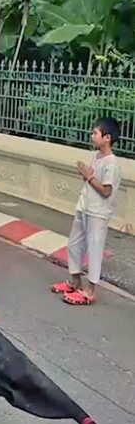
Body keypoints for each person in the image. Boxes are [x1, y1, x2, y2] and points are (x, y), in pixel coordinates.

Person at [53, 117, 123, 305]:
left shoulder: (112, 164)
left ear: (107, 137)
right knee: (73, 244)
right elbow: (90, 179)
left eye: (95, 133)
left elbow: (106, 191)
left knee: (94, 249)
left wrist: (89, 177)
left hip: (98, 213)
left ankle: (89, 291)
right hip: (84, 206)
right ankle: (74, 280)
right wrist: (86, 176)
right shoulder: (95, 156)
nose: (92, 136)